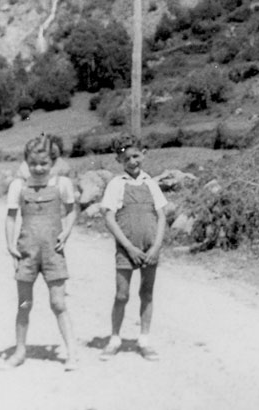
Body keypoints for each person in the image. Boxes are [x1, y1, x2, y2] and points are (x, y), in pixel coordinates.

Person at [4, 135, 78, 370]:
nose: (38, 168)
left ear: (52, 162)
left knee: (58, 303)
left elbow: (72, 210)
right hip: (27, 252)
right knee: (24, 304)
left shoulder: (62, 184)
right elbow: (11, 216)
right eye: (33, 163)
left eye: (44, 163)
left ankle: (71, 353)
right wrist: (10, 245)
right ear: (26, 162)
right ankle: (19, 351)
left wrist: (66, 233)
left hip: (52, 253)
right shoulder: (19, 186)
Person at [99, 133, 167, 362]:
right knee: (122, 294)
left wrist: (156, 246)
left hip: (149, 247)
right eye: (126, 158)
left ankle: (144, 340)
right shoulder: (116, 185)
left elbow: (162, 215)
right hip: (126, 249)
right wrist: (128, 247)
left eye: (136, 156)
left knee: (147, 293)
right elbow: (108, 217)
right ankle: (115, 338)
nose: (132, 162)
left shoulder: (151, 183)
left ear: (143, 155)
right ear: (119, 161)